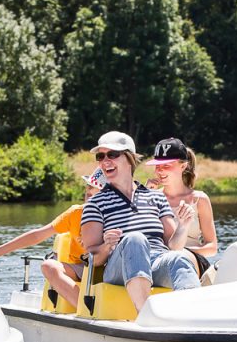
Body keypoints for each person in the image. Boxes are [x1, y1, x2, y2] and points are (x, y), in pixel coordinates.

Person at [80, 131, 200, 313]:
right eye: (100, 156)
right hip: (118, 268)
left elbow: (174, 247)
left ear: (129, 158)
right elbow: (92, 259)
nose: (105, 161)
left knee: (180, 257)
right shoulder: (96, 204)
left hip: (156, 261)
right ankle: (145, 315)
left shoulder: (156, 198)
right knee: (135, 239)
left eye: (112, 154)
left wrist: (183, 225)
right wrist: (106, 246)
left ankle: (193, 318)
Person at [0, 169, 105, 307]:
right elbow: (37, 235)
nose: (88, 189)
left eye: (95, 187)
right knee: (49, 266)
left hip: (107, 268)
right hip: (80, 267)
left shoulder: (118, 214)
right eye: (88, 186)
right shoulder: (75, 213)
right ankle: (85, 309)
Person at [146, 137, 218, 278]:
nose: (160, 171)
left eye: (166, 166)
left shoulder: (200, 200)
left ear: (183, 166)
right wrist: (144, 195)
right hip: (159, 261)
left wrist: (180, 251)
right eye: (157, 166)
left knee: (178, 259)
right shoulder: (150, 196)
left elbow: (212, 248)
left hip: (193, 261)